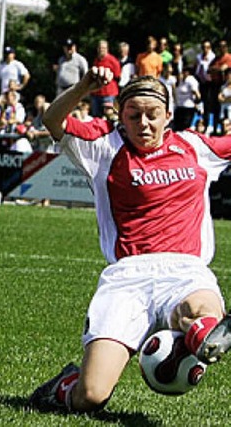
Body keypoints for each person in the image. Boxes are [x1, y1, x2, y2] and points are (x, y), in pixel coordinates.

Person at [28, 66, 231, 414]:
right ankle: (64, 388)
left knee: (202, 314)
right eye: (133, 115)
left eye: (152, 115)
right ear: (121, 115)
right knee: (91, 396)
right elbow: (52, 119)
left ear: (168, 115)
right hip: (127, 277)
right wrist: (84, 87)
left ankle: (205, 337)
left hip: (186, 271)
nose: (144, 124)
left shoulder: (195, 146)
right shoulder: (102, 146)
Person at [89, 40, 120, 117]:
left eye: (103, 48)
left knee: (109, 116)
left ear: (107, 49)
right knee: (96, 116)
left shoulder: (113, 60)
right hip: (96, 93)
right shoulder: (96, 60)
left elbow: (117, 75)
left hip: (108, 93)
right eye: (100, 48)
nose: (101, 50)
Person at [174, 65, 201, 131]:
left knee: (185, 127)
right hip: (179, 106)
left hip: (188, 107)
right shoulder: (179, 80)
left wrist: (197, 103)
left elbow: (197, 95)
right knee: (177, 126)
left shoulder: (191, 80)